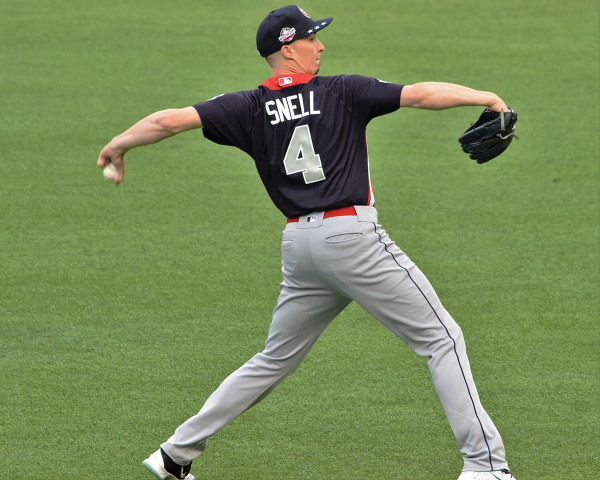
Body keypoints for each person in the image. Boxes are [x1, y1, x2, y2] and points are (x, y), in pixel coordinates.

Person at [98, 6, 518, 480]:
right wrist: (488, 97)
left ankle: (174, 455)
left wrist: (119, 144)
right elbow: (420, 94)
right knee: (441, 339)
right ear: (287, 48)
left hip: (301, 246)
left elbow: (168, 120)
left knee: (274, 359)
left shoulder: (247, 106)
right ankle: (486, 468)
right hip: (352, 238)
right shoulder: (342, 91)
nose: (321, 46)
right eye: (313, 38)